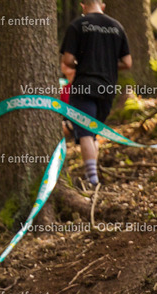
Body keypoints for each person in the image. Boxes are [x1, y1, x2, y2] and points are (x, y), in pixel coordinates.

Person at [60, 0, 132, 187]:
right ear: (102, 5)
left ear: (83, 6)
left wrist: (83, 63)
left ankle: (92, 180)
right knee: (93, 133)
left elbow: (67, 60)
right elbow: (127, 62)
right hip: (107, 88)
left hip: (84, 86)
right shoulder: (117, 27)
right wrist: (108, 64)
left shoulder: (77, 25)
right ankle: (92, 176)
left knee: (86, 134)